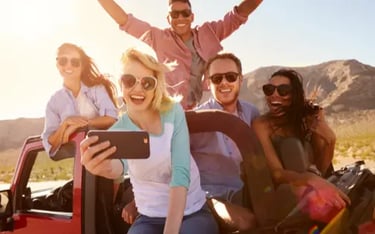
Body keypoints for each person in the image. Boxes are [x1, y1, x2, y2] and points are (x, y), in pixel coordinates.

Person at [80, 48, 219, 234]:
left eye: (147, 83)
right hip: (148, 218)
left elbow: (181, 174)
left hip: (192, 211)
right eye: (129, 81)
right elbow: (117, 167)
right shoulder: (120, 130)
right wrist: (99, 166)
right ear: (121, 84)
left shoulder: (173, 113)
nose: (137, 88)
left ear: (156, 87)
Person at [96, 0, 263, 109]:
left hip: (202, 107)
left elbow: (237, 16)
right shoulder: (159, 38)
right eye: (174, 14)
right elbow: (125, 21)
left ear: (192, 17)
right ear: (168, 19)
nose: (180, 17)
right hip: (168, 110)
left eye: (185, 13)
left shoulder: (209, 32)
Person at [252, 68, 351, 222]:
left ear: (294, 94)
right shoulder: (261, 125)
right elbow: (277, 174)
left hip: (317, 182)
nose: (274, 95)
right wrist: (309, 179)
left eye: (283, 90)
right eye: (269, 89)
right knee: (291, 148)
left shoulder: (309, 118)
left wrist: (330, 141)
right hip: (287, 190)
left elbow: (322, 169)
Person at [190, 53, 259, 231]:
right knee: (246, 222)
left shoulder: (252, 113)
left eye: (230, 76)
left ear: (240, 79)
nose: (224, 83)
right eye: (217, 78)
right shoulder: (197, 119)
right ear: (208, 83)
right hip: (210, 195)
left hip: (246, 190)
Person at [42, 43, 118, 156]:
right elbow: (50, 142)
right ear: (57, 64)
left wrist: (80, 125)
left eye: (75, 62)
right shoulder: (54, 102)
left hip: (105, 154)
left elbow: (112, 118)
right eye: (63, 61)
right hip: (79, 166)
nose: (68, 66)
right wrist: (65, 124)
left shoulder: (97, 90)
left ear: (82, 66)